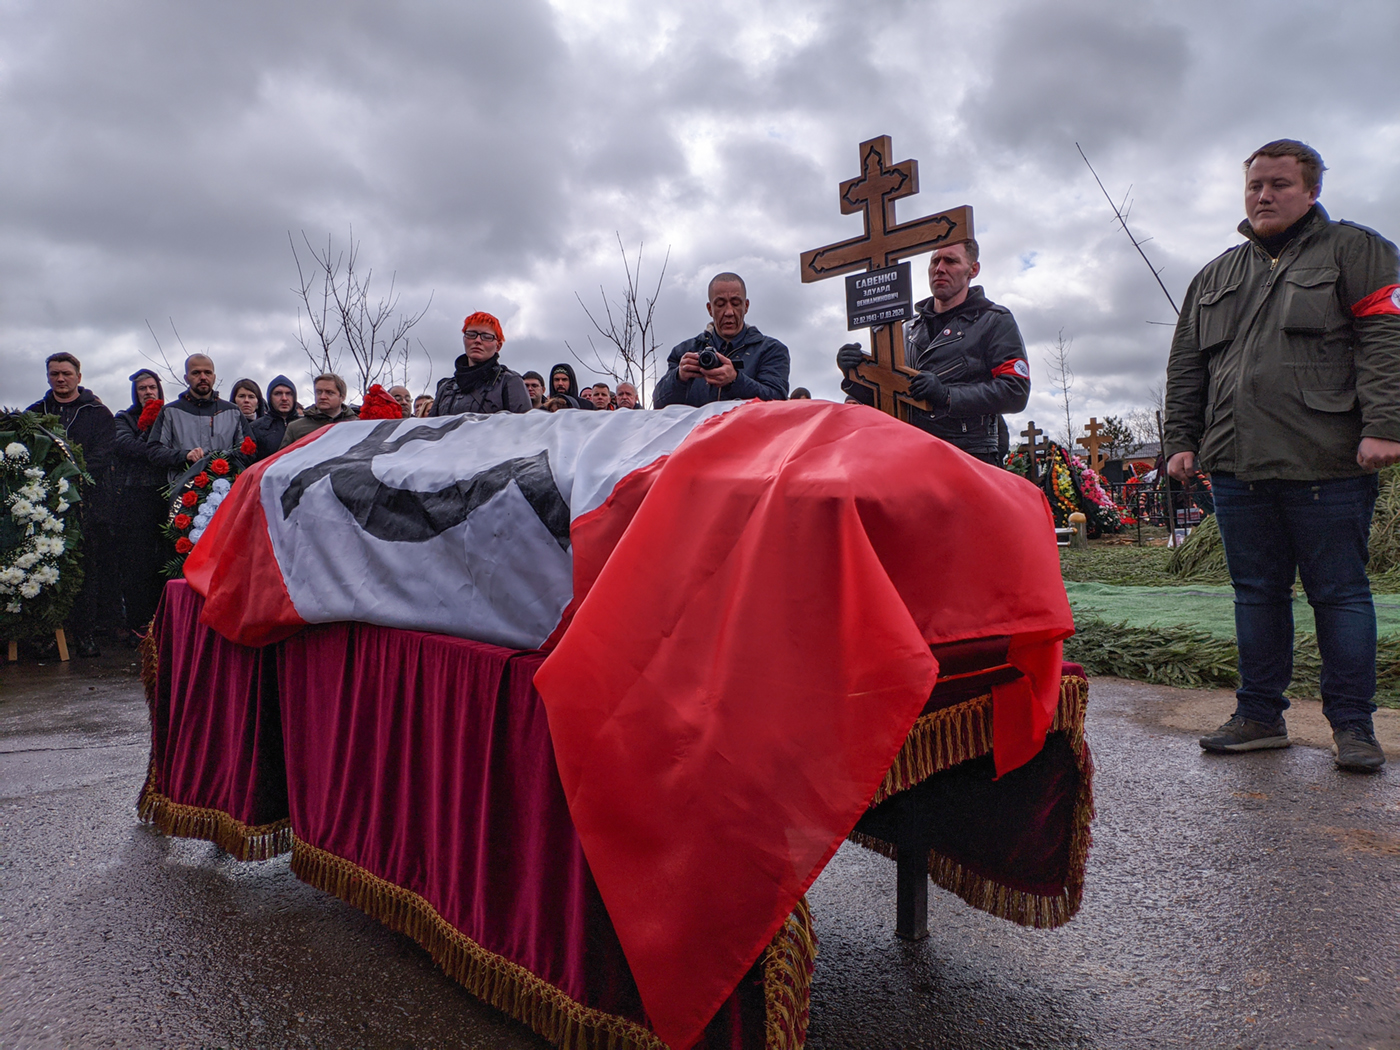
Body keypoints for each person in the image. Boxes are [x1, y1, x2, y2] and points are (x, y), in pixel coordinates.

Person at [1165, 139, 1400, 773]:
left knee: (1340, 594)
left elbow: (1385, 338)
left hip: (1327, 458)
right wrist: (1181, 439)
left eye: (1279, 184)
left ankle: (1353, 727)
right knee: (1256, 594)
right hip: (1237, 463)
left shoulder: (1356, 250)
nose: (1263, 195)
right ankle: (1259, 716)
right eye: (1254, 186)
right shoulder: (1216, 273)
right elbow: (1187, 364)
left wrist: (1385, 423)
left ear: (1311, 190)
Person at [838, 240, 1029, 465]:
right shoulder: (907, 328)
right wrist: (856, 375)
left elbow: (1015, 390)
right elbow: (893, 397)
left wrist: (947, 395)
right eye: (935, 261)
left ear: (973, 270)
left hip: (968, 457)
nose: (940, 268)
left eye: (951, 260)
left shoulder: (994, 320)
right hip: (910, 454)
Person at [26, 353, 118, 656]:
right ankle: (47, 634)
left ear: (79, 376)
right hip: (46, 505)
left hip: (87, 505)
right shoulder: (35, 414)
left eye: (66, 373)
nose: (60, 379)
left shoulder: (98, 413)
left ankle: (84, 633)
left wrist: (72, 476)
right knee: (46, 567)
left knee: (86, 570)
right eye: (54, 374)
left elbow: (104, 455)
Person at [653, 273, 790, 407]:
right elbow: (659, 404)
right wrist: (679, 377)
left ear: (746, 306)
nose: (729, 311)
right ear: (710, 309)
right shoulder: (683, 352)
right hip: (699, 430)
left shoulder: (772, 350)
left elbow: (777, 402)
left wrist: (735, 380)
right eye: (720, 304)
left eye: (736, 303)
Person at [110, 369, 168, 635]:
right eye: (143, 389)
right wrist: (149, 432)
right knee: (138, 563)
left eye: (152, 387)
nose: (148, 392)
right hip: (136, 495)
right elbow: (126, 446)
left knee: (166, 561)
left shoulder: (172, 414)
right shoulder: (124, 419)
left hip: (167, 493)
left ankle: (166, 622)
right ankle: (139, 625)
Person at [147, 354, 252, 483]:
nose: (203, 377)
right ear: (186, 378)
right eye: (196, 373)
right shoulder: (170, 412)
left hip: (227, 488)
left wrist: (219, 459)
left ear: (214, 377)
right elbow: (154, 451)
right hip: (184, 491)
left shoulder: (233, 412)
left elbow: (249, 451)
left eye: (207, 372)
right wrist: (185, 456)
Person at [429, 313, 530, 416]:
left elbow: (523, 427)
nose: (477, 341)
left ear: (498, 346)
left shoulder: (510, 382)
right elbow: (430, 429)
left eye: (486, 337)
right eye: (471, 334)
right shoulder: (446, 388)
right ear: (464, 339)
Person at [282, 373, 360, 447]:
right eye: (319, 392)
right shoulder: (296, 427)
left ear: (342, 397)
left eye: (329, 392)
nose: (322, 397)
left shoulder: (357, 425)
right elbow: (282, 458)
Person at [249, 375, 300, 459]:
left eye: (289, 394)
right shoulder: (256, 428)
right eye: (278, 394)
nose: (284, 398)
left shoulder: (306, 425)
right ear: (270, 398)